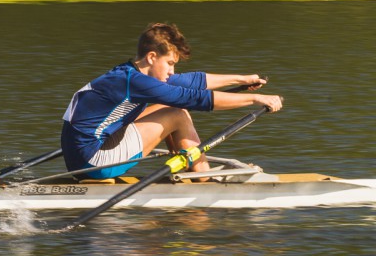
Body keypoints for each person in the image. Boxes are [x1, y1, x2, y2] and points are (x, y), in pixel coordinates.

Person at [61, 22, 283, 180]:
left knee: (172, 105)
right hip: (92, 163)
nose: (172, 71)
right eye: (169, 63)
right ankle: (204, 177)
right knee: (177, 112)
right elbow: (194, 98)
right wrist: (255, 98)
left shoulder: (128, 74)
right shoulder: (135, 82)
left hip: (80, 157)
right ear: (151, 57)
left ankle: (192, 169)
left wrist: (242, 79)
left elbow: (191, 81)